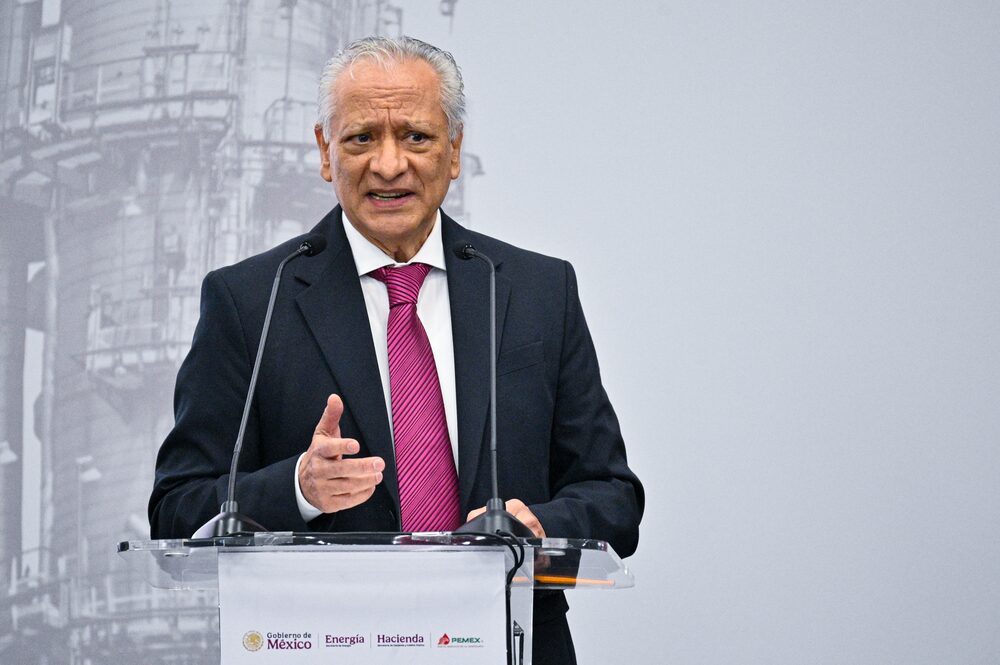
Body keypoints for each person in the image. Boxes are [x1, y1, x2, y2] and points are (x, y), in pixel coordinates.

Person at [149, 35, 643, 665]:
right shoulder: (253, 299)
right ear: (326, 152)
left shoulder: (535, 290)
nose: (388, 166)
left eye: (415, 137)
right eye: (360, 139)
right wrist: (298, 488)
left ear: (456, 149)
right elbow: (176, 509)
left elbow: (612, 495)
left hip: (511, 643)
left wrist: (538, 529)